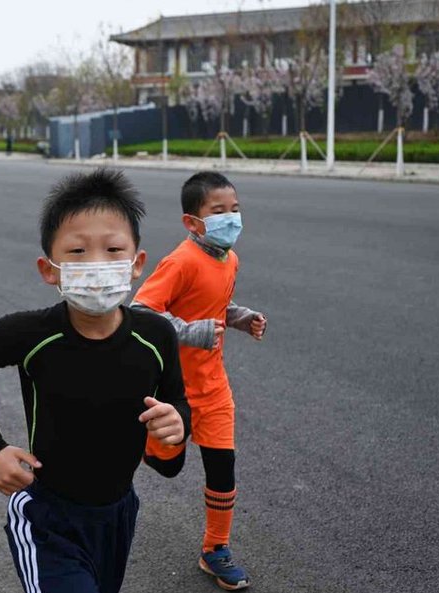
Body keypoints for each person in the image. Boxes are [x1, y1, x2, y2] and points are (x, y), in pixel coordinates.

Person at [0, 168, 190, 593]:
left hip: (117, 513)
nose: (97, 263)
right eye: (77, 251)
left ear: (137, 264)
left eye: (113, 248)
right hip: (47, 516)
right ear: (49, 269)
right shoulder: (29, 334)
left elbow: (176, 405)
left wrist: (178, 424)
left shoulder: (156, 337)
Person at [132, 171, 267, 591]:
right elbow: (141, 311)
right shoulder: (181, 261)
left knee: (222, 467)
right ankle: (140, 444)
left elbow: (215, 305)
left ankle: (215, 549)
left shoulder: (230, 259)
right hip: (175, 393)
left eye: (235, 210)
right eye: (219, 212)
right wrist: (194, 332)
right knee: (169, 469)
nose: (231, 218)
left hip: (214, 390)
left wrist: (240, 318)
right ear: (193, 222)